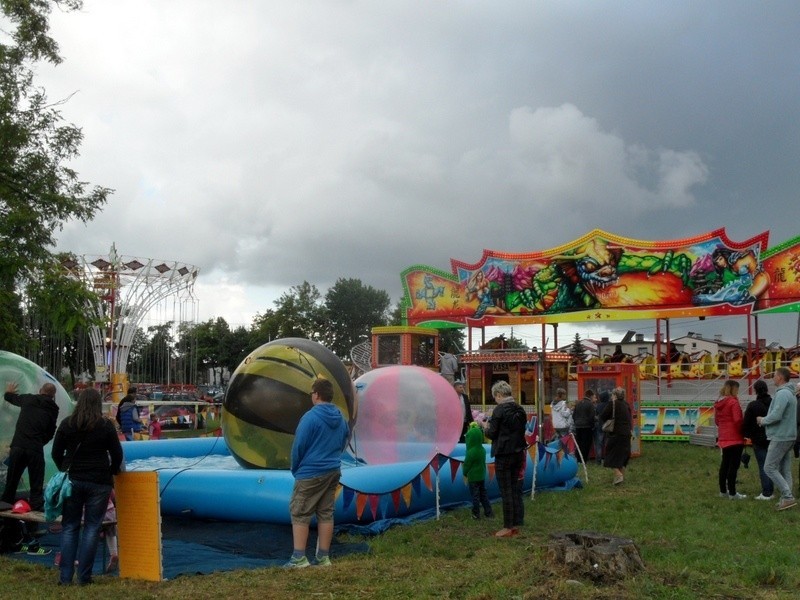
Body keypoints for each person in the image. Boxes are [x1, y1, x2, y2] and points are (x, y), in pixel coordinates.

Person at [52, 387, 123, 585]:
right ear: (97, 404)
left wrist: (65, 468)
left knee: (69, 527)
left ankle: (65, 578)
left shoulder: (67, 424)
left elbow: (56, 453)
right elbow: (117, 454)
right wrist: (112, 471)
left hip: (73, 480)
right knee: (92, 528)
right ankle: (84, 577)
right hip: (99, 482)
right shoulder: (105, 426)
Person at [285, 377, 350, 568]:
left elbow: (299, 446)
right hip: (333, 470)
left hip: (310, 472)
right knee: (326, 513)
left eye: (312, 393)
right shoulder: (340, 417)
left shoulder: (310, 418)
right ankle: (323, 557)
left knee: (300, 512)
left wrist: (295, 468)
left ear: (316, 395)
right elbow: (344, 440)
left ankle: (299, 558)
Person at [1, 382, 59, 515]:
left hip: (18, 446)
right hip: (35, 448)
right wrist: (39, 442)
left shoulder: (28, 399)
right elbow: (51, 432)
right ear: (53, 396)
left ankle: (6, 506)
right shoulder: (53, 408)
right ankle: (36, 507)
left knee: (12, 479)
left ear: (40, 390)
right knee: (36, 481)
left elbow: (10, 398)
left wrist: (8, 392)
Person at [483, 380, 527, 538]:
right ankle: (515, 524)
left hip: (504, 454)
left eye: (495, 396)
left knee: (506, 491)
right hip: (518, 452)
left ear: (499, 395)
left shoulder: (499, 410)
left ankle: (507, 527)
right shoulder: (520, 409)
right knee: (515, 489)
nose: (495, 399)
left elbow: (491, 434)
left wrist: (485, 424)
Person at [757, 367, 798, 511]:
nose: (772, 378)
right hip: (789, 435)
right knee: (784, 469)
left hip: (781, 436)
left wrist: (762, 420)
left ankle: (787, 496)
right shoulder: (790, 393)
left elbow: (776, 415)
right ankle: (787, 499)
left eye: (774, 375)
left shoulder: (782, 394)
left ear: (780, 377)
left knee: (769, 467)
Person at [714, 380, 746, 499]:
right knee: (734, 466)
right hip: (735, 438)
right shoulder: (733, 402)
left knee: (725, 465)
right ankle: (733, 493)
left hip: (723, 437)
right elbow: (737, 420)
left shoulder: (719, 403)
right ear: (734, 389)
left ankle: (723, 491)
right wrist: (742, 431)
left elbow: (717, 421)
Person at [743, 379, 773, 500]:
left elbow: (746, 423)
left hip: (758, 439)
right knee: (773, 465)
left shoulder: (753, 405)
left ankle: (767, 492)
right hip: (773, 437)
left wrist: (749, 434)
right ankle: (775, 488)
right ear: (767, 389)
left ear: (755, 391)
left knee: (763, 465)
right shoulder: (773, 402)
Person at [599, 387, 632, 485]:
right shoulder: (626, 405)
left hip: (616, 433)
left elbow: (603, 416)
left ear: (614, 395)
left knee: (611, 455)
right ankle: (620, 478)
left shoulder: (613, 404)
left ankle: (618, 475)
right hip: (626, 433)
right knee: (623, 456)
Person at [462, 422, 493, 520]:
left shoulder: (471, 452)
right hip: (481, 476)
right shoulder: (482, 450)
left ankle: (476, 514)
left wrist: (464, 472)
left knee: (475, 496)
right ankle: (488, 512)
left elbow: (467, 465)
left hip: (473, 478)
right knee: (483, 495)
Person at [572, 390, 596, 463]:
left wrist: (576, 422)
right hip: (587, 426)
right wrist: (592, 425)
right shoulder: (590, 404)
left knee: (578, 443)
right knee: (586, 444)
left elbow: (573, 415)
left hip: (578, 426)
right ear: (591, 396)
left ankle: (578, 459)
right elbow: (592, 417)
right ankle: (584, 460)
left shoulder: (578, 403)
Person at [593, 390, 611, 465]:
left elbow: (596, 415)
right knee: (607, 443)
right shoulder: (610, 404)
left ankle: (598, 460)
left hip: (600, 426)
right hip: (609, 426)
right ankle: (607, 459)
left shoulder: (598, 405)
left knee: (599, 444)